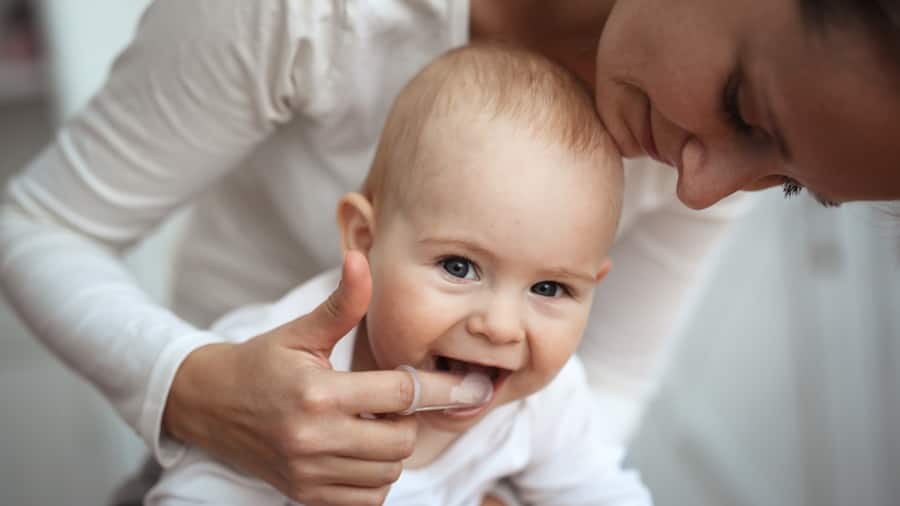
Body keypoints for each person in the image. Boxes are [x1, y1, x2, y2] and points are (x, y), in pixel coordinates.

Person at [0, 1, 896, 505]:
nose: (703, 192)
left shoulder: (704, 160)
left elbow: (598, 409)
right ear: (360, 234)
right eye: (743, 107)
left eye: (786, 179)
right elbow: (33, 225)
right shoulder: (306, 15)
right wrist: (193, 388)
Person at [144, 43, 652, 506]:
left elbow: (604, 492)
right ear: (365, 239)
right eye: (459, 267)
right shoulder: (277, 374)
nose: (500, 326)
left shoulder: (547, 402)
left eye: (550, 288)